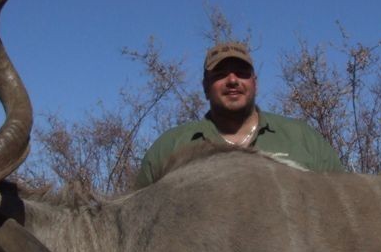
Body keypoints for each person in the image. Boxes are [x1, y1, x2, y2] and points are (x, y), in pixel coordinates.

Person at [135, 41, 345, 187]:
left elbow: (343, 204)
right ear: (205, 87)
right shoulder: (170, 147)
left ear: (255, 83)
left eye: (242, 73)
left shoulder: (303, 139)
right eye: (220, 74)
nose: (233, 80)